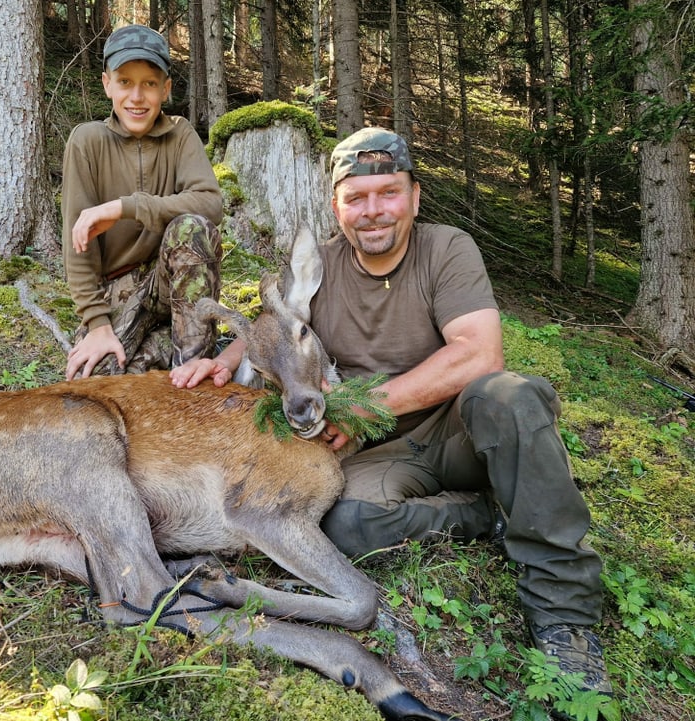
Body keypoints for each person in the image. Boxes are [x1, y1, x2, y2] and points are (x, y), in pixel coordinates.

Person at [171, 127, 616, 719]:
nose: (373, 211)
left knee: (509, 398)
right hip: (378, 452)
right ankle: (482, 516)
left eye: (389, 193)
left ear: (414, 196)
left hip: (456, 431)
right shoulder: (319, 266)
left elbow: (479, 353)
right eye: (356, 198)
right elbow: (277, 330)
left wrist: (360, 409)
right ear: (337, 206)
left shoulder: (446, 249)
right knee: (342, 524)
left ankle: (565, 617)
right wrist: (222, 363)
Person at [61, 24, 223, 380]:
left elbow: (211, 204)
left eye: (149, 84)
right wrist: (97, 323)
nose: (136, 97)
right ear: (107, 85)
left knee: (191, 227)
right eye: (125, 82)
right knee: (96, 382)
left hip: (177, 289)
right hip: (117, 292)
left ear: (165, 89)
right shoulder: (87, 142)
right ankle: (153, 354)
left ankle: (192, 365)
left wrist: (125, 207)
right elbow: (78, 244)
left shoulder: (181, 136)